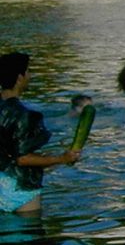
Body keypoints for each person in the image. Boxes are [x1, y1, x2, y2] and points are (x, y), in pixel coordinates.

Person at [0, 52, 79, 214]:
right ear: (19, 77)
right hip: (20, 188)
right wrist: (61, 159)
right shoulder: (26, 115)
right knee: (28, 234)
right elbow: (22, 158)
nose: (30, 75)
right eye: (28, 71)